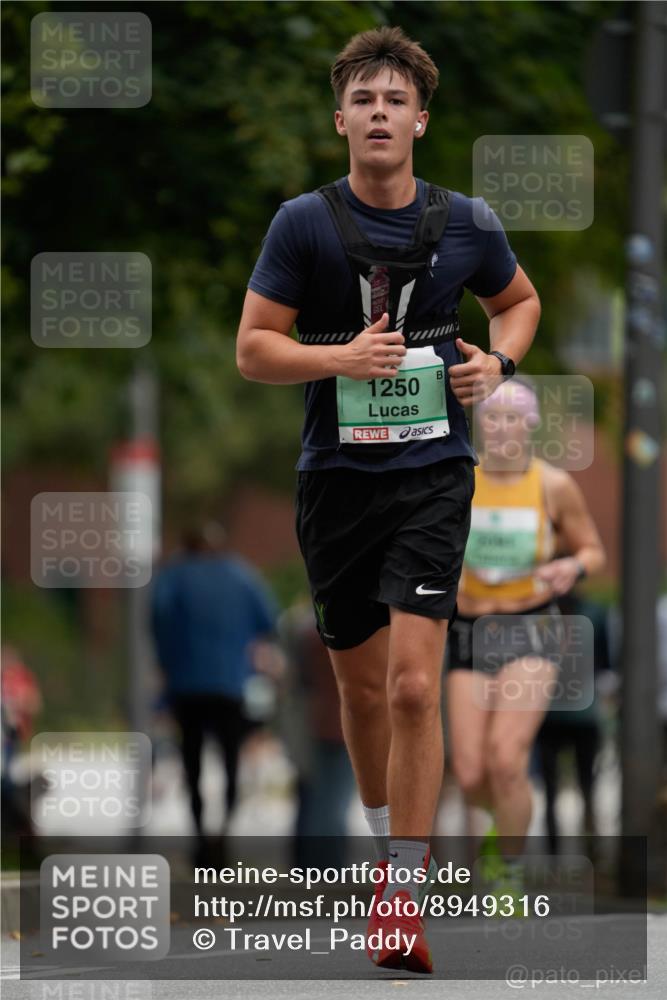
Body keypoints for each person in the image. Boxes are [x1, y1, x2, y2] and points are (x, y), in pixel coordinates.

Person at [237, 26, 540, 973]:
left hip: (433, 478)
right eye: (362, 99)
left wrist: (500, 361)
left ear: (419, 120)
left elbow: (518, 302)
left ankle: (400, 896)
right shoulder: (301, 224)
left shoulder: (468, 223)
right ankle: (386, 852)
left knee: (414, 684)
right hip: (334, 481)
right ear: (341, 120)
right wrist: (340, 359)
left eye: (393, 99)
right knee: (361, 692)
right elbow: (253, 349)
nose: (378, 112)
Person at [446, 379, 606, 894]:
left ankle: (508, 871)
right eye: (492, 417)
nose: (502, 427)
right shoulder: (460, 478)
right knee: (470, 772)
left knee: (507, 758)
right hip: (468, 628)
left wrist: (572, 568)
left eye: (513, 417)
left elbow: (592, 550)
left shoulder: (552, 485)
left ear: (531, 425)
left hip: (531, 626)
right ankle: (503, 826)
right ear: (481, 425)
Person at [150, 522, 278, 849]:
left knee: (191, 757)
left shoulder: (174, 576)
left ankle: (199, 831)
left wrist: (166, 662)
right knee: (230, 757)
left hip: (186, 683)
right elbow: (268, 619)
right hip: (230, 681)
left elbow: (159, 618)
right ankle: (224, 829)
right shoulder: (241, 575)